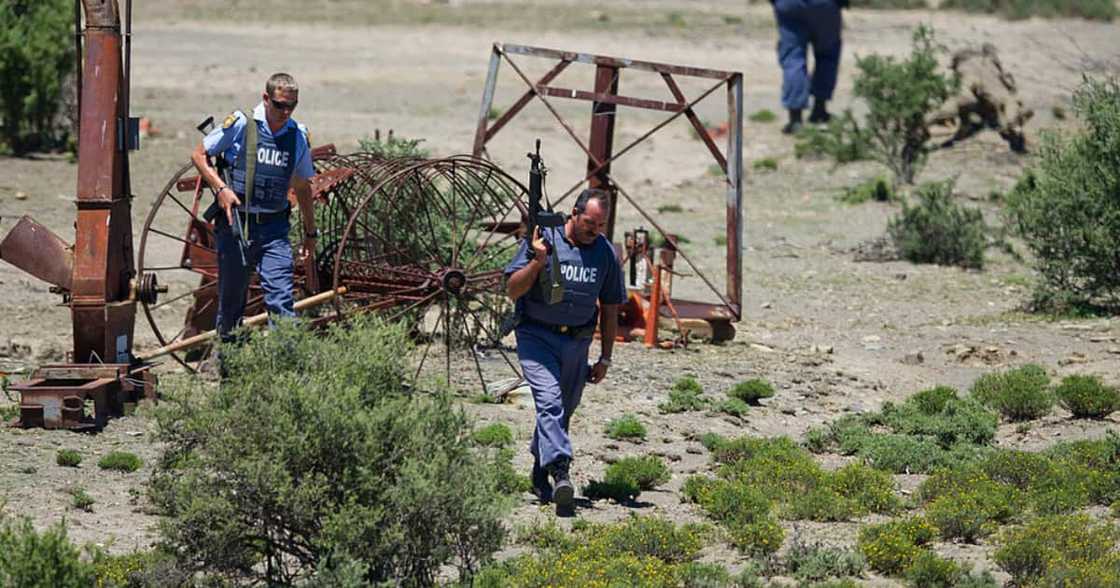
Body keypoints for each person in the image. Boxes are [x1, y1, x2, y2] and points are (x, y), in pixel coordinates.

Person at [504, 188, 625, 513]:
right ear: (574, 213)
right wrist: (538, 261)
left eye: (600, 225)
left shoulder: (606, 254)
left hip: (577, 342)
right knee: (550, 401)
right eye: (589, 223)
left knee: (564, 409)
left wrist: (606, 357)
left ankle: (538, 468)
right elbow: (512, 289)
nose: (594, 231)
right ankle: (560, 472)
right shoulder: (543, 240)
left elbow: (611, 306)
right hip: (536, 337)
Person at [190, 72, 317, 345]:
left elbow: (303, 187)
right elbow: (199, 155)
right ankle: (230, 374)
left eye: (291, 106)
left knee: (282, 301)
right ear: (265, 98)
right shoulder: (241, 124)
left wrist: (310, 234)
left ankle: (284, 375)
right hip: (237, 227)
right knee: (232, 304)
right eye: (280, 104)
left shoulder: (297, 136)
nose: (285, 111)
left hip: (274, 230)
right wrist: (221, 189)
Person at [772, 0, 846, 134]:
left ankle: (795, 119)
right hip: (825, 5)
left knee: (793, 59)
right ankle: (819, 110)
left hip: (789, 4)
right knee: (827, 55)